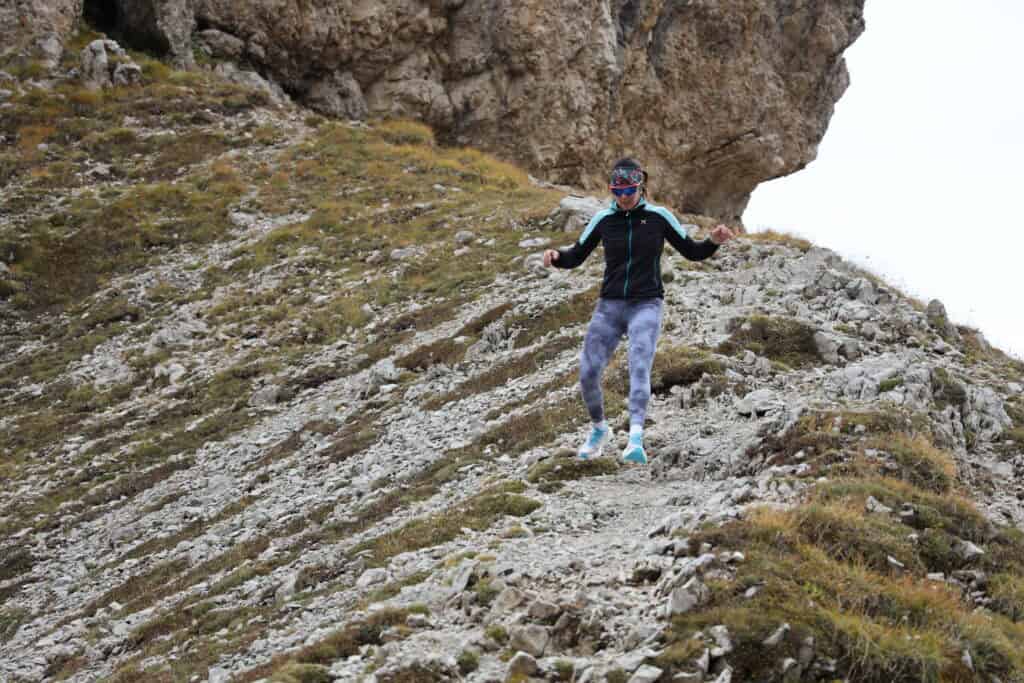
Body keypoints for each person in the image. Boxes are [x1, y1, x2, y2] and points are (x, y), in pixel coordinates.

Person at [543, 158, 734, 464]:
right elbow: (576, 255)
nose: (624, 197)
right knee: (588, 373)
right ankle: (599, 430)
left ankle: (635, 439)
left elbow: (692, 251)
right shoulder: (603, 220)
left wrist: (712, 241)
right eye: (618, 191)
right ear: (612, 190)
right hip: (609, 306)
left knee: (639, 362)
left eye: (630, 190)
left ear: (640, 186)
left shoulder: (659, 217)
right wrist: (556, 257)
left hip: (646, 303)